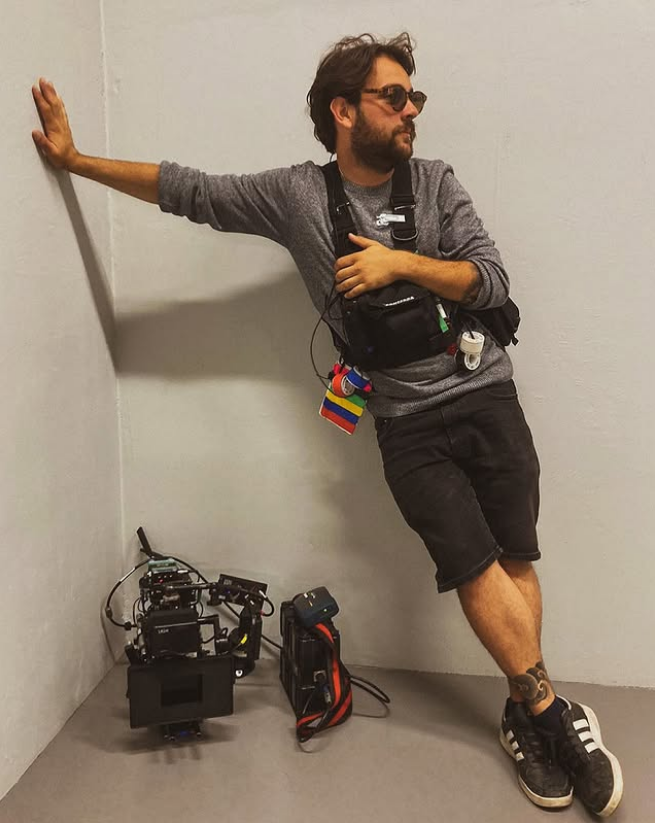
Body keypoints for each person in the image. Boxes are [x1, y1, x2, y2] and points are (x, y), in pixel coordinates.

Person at [31, 32, 623, 816]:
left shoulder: (436, 181)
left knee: (513, 551)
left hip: (485, 392)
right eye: (393, 96)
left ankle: (524, 712)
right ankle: (553, 714)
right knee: (470, 561)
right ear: (343, 110)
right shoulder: (296, 198)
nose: (410, 110)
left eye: (414, 96)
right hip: (404, 422)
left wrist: (397, 262)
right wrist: (76, 162)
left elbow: (489, 280)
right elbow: (189, 191)